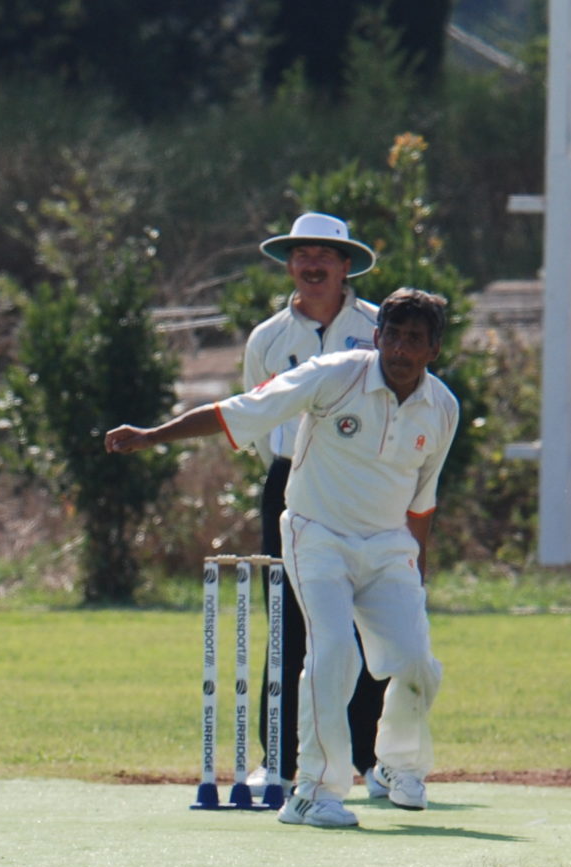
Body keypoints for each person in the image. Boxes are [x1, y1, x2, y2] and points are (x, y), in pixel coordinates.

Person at [107, 289, 458, 830]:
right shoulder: (334, 376)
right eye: (393, 335)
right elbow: (241, 411)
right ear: (377, 336)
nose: (401, 350)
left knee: (415, 661)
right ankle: (312, 792)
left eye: (416, 340)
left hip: (388, 546)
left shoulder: (442, 408)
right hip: (317, 534)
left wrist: (419, 571)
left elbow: (423, 501)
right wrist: (154, 436)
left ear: (434, 349)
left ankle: (397, 766)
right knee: (335, 652)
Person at [243, 212, 389, 797]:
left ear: (345, 264)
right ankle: (275, 759)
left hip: (362, 487)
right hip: (290, 485)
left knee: (366, 621)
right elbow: (257, 422)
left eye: (323, 255)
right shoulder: (269, 338)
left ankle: (371, 759)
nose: (311, 265)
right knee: (288, 624)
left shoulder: (379, 326)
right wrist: (289, 473)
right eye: (300, 254)